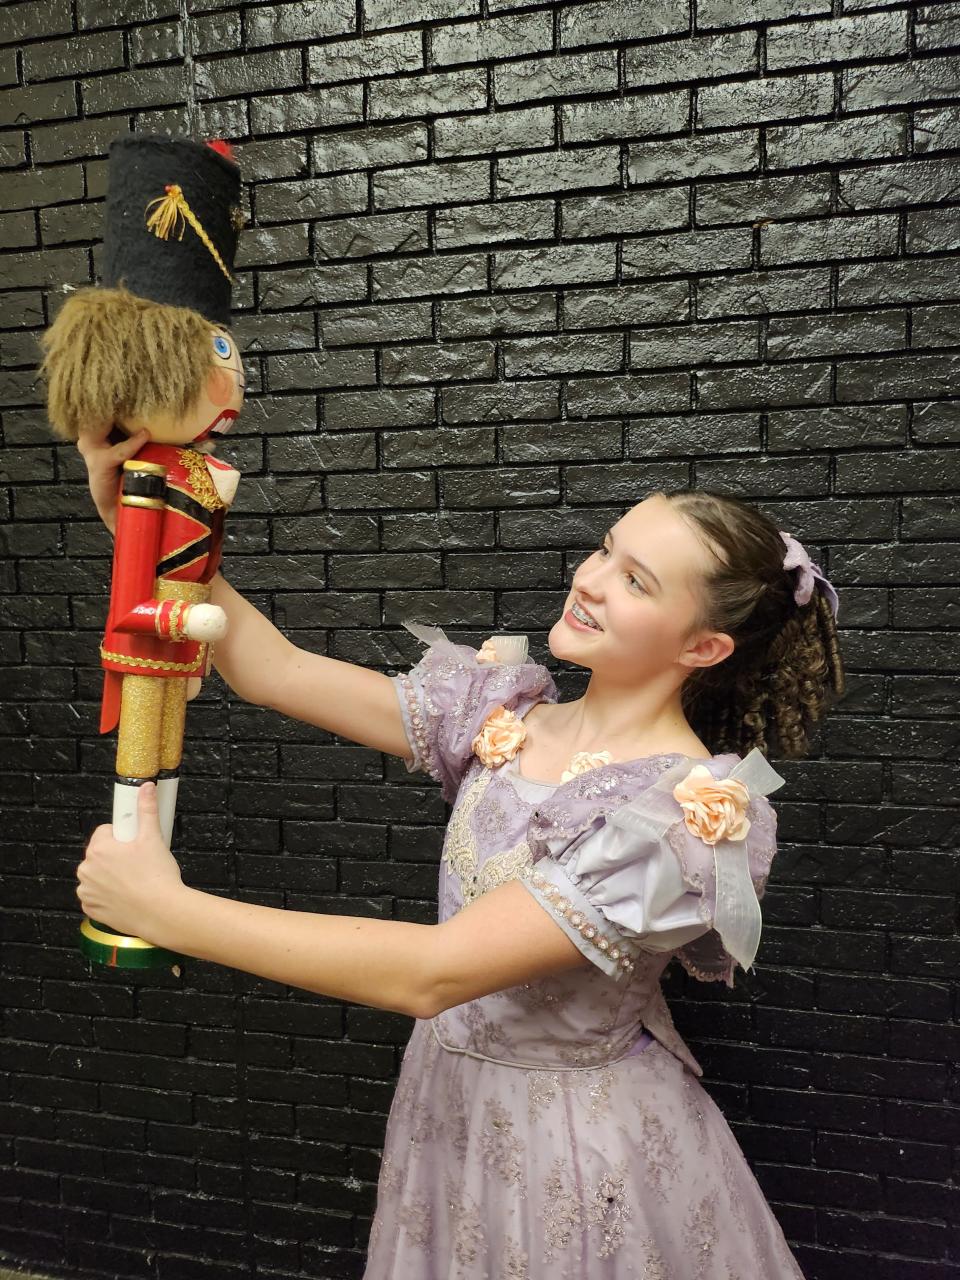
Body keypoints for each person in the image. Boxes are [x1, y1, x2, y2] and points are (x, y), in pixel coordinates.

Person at [75, 422, 844, 1277]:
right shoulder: (505, 716)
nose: (589, 581)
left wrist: (166, 911)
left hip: (574, 1150)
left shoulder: (680, 819)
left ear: (703, 647)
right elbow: (274, 670)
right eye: (605, 549)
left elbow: (433, 974)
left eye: (635, 581)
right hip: (450, 1106)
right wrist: (153, 535)